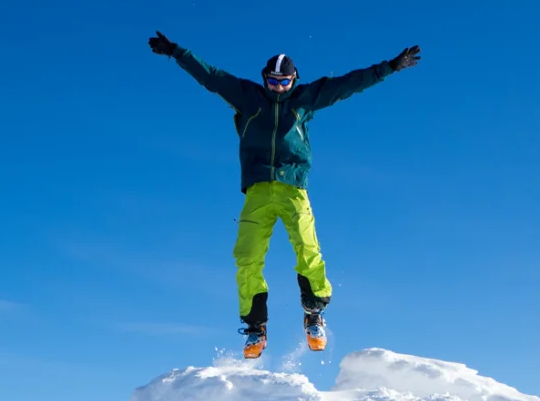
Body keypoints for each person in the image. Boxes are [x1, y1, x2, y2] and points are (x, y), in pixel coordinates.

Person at [148, 31, 421, 359]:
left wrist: (389, 67)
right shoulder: (247, 96)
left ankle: (314, 312)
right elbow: (211, 76)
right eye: (273, 81)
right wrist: (176, 52)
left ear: (294, 80)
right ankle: (255, 327)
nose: (278, 87)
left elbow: (348, 84)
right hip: (258, 190)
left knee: (308, 248)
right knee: (247, 256)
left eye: (284, 82)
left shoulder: (305, 99)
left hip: (293, 188)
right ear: (265, 78)